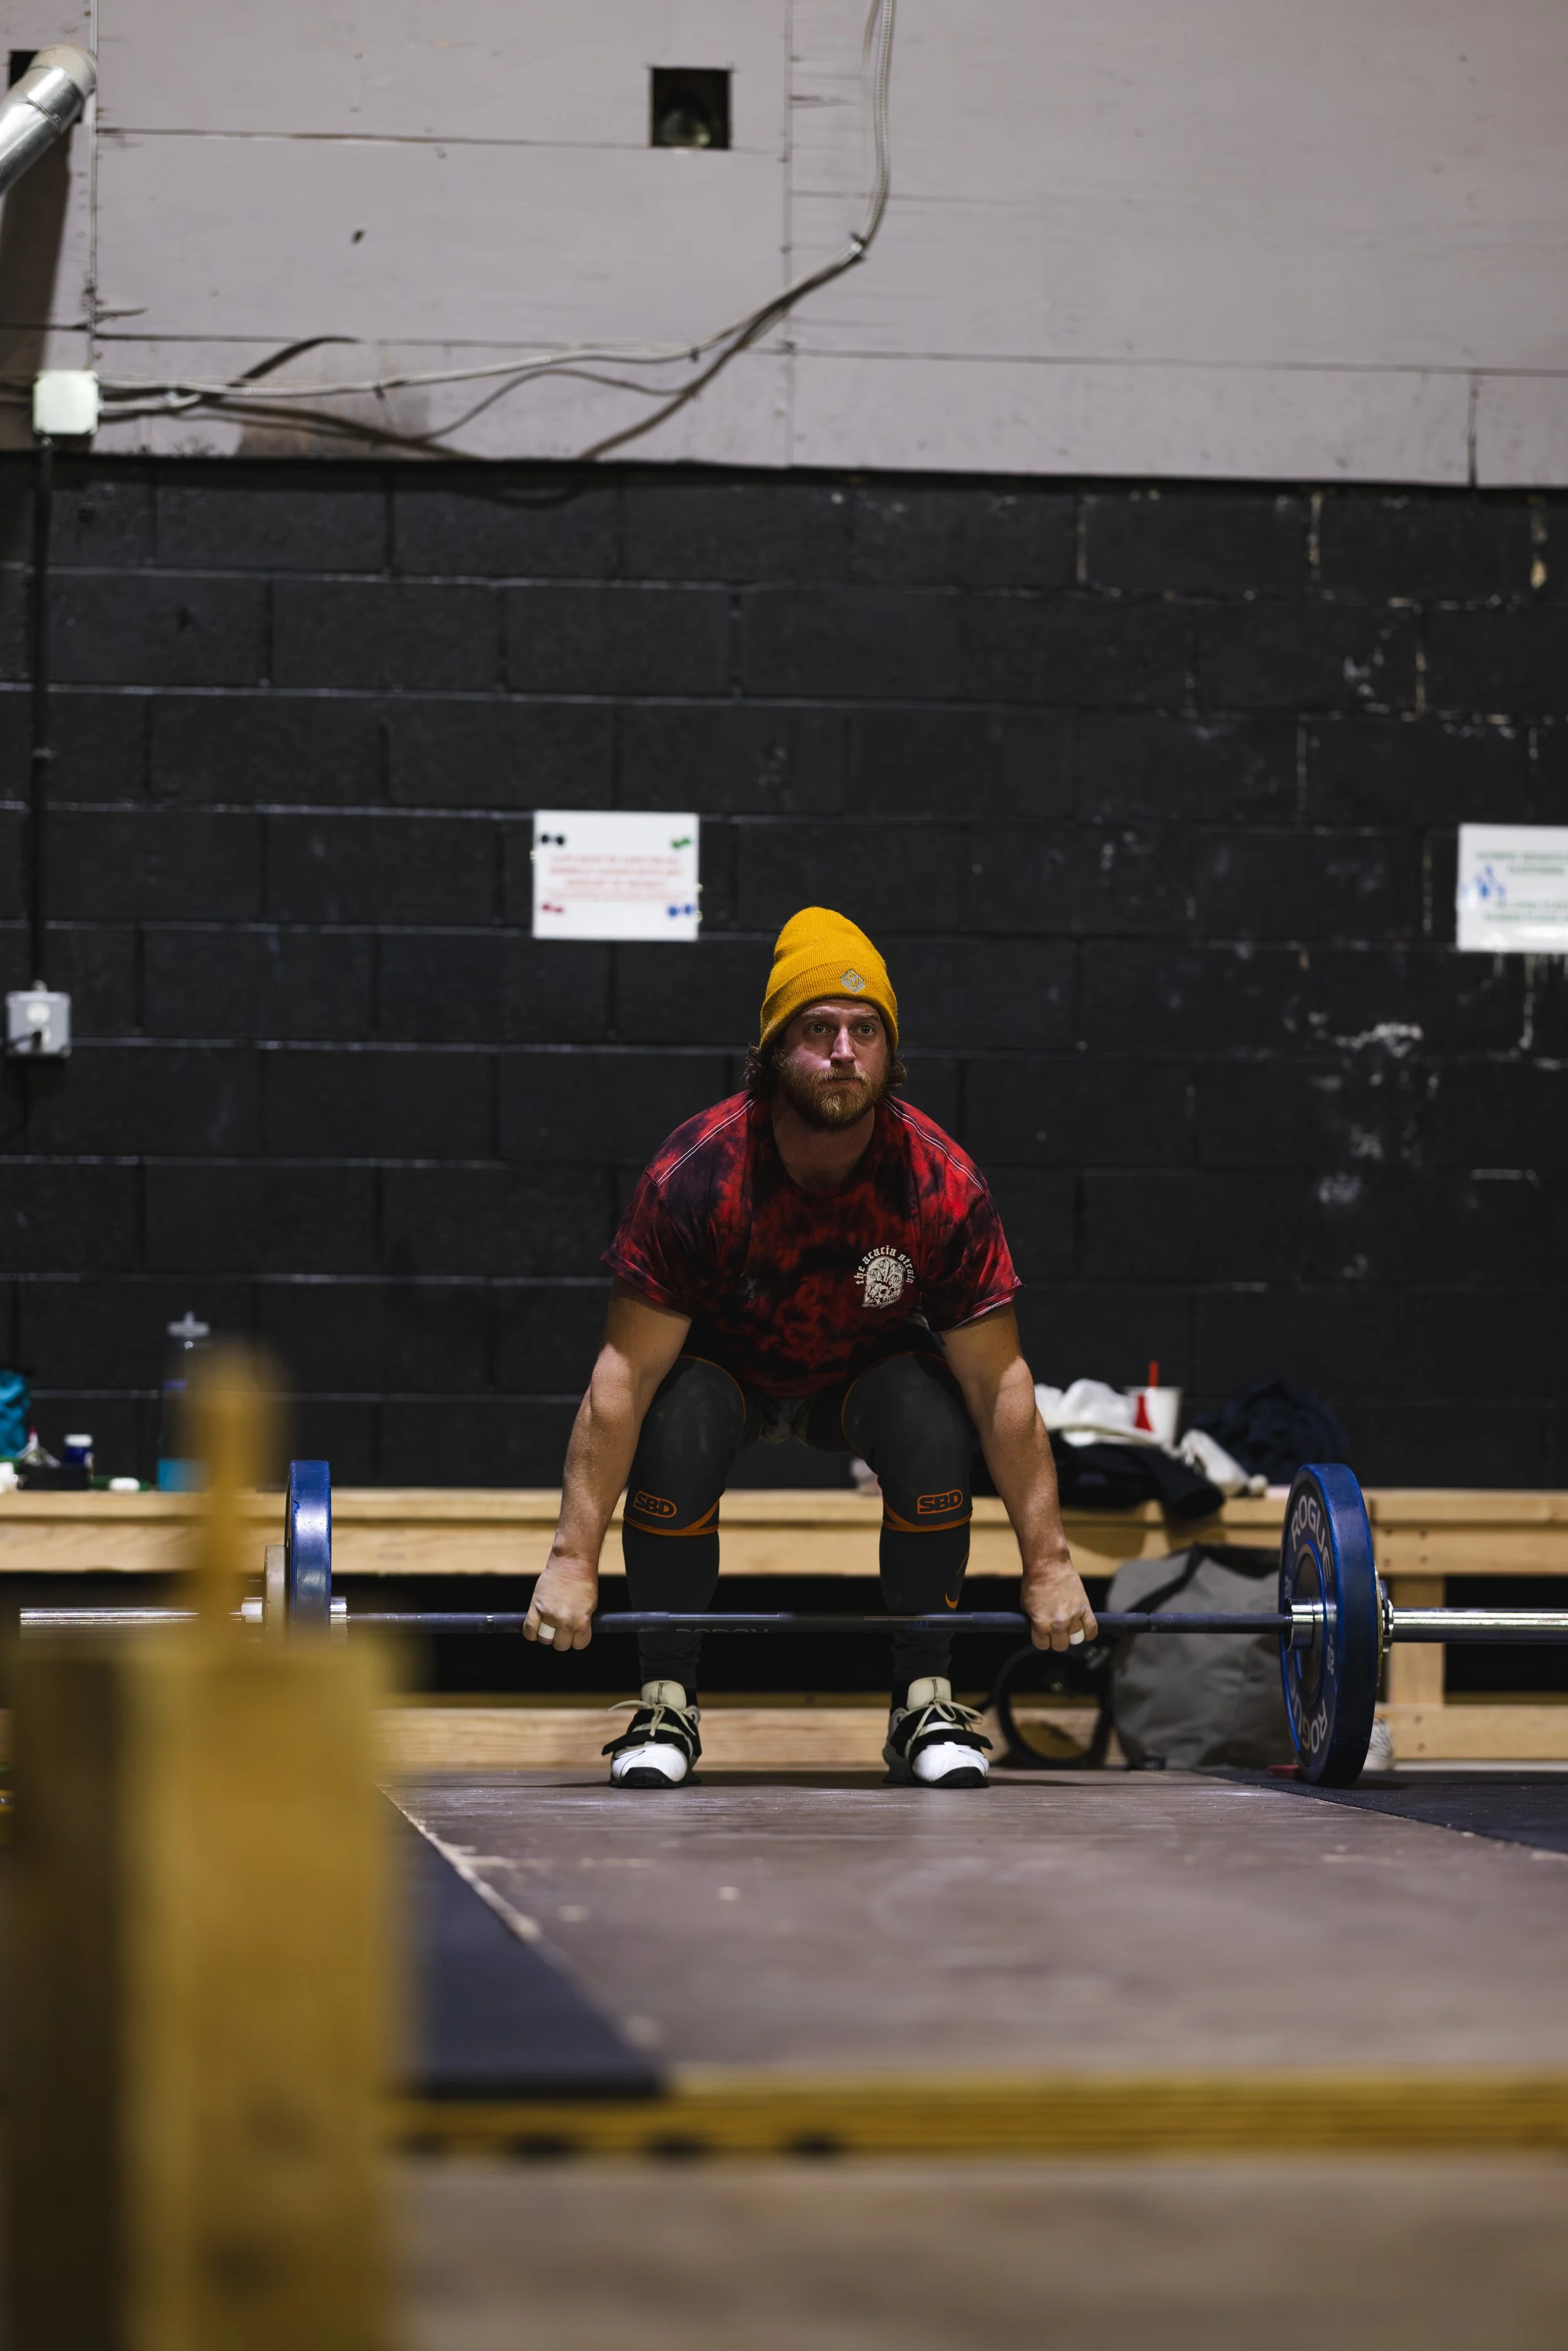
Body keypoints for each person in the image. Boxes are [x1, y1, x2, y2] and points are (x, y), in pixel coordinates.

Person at [524, 906, 1097, 1788]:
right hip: (727, 1375)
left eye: (865, 1031)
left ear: (889, 1050)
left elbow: (1000, 1385)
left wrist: (1049, 1564)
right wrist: (571, 1559)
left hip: (860, 1378)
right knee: (672, 1419)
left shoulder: (940, 1185)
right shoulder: (696, 1178)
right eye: (818, 1028)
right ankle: (667, 1699)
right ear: (772, 1050)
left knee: (932, 1414)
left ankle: (924, 1702)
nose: (842, 1050)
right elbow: (624, 1376)